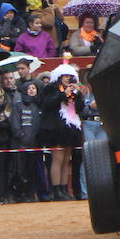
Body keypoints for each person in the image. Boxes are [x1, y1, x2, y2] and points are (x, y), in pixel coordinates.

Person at [40, 67, 85, 201]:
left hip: (70, 128)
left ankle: (64, 189)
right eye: (65, 76)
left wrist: (78, 94)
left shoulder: (74, 91)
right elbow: (48, 104)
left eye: (70, 76)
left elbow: (79, 109)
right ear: (59, 77)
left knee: (66, 160)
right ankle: (56, 189)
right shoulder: (51, 88)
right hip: (55, 128)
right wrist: (63, 94)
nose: (67, 79)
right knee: (57, 159)